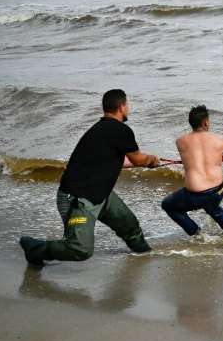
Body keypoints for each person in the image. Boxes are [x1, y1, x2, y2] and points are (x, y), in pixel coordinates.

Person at [19, 89, 160, 265]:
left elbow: (116, 160)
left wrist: (142, 161)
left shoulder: (99, 130)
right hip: (77, 198)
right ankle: (34, 248)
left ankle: (146, 256)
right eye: (127, 105)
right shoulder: (121, 130)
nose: (128, 109)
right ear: (122, 107)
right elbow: (138, 159)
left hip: (99, 194)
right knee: (80, 249)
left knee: (130, 226)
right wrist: (152, 160)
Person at [161, 105, 223, 235]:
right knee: (212, 205)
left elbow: (194, 156)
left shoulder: (180, 141)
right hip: (217, 192)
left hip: (194, 196)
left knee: (167, 205)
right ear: (206, 122)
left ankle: (196, 233)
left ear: (191, 123)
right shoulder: (220, 140)